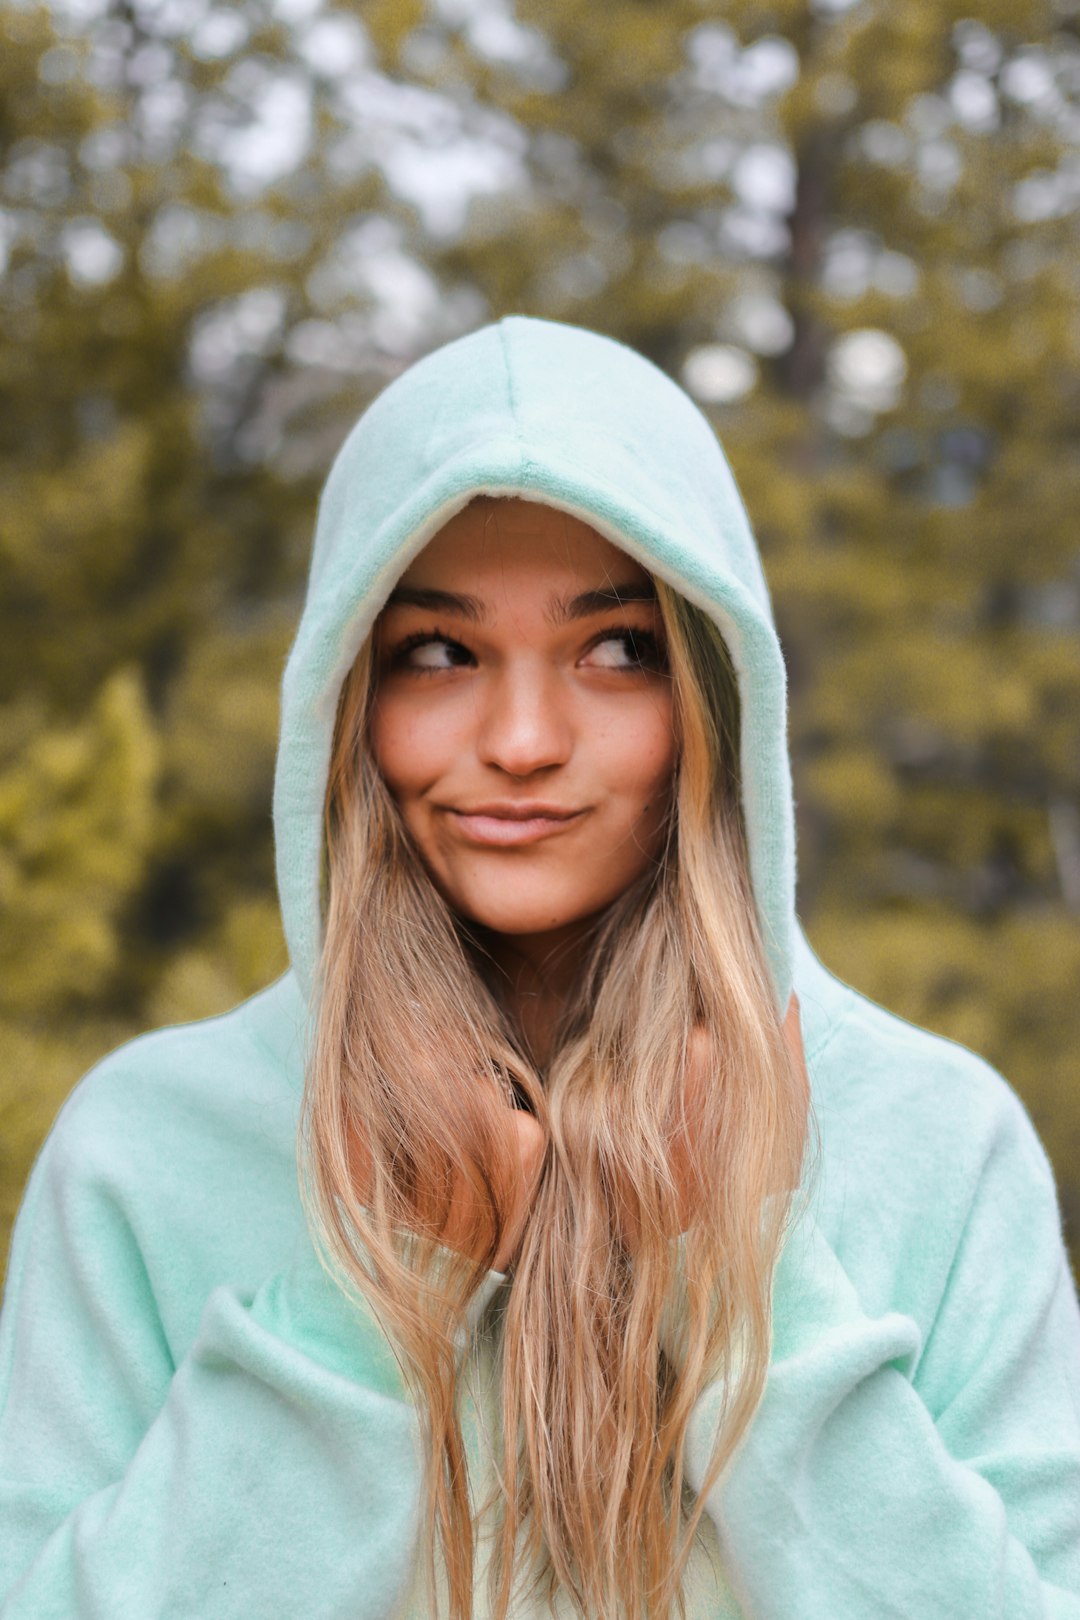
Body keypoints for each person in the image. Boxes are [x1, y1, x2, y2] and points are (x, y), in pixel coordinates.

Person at [0, 316, 1078, 1620]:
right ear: (348, 701)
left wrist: (749, 1286)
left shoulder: (939, 1144)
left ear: (711, 699)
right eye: (439, 652)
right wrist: (372, 1299)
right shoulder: (147, 1148)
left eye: (615, 649)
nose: (520, 738)